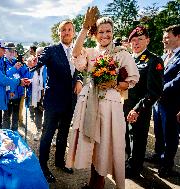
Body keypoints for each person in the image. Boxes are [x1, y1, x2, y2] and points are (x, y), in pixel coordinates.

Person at [65, 7, 139, 189]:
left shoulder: (122, 53)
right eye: (101, 32)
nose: (105, 35)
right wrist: (83, 28)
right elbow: (75, 54)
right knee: (91, 147)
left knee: (104, 145)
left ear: (113, 33)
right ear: (95, 34)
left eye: (108, 31)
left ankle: (98, 184)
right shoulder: (89, 52)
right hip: (88, 102)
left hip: (109, 106)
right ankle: (93, 183)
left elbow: (131, 80)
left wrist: (113, 83)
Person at [31, 19, 83, 183]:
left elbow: (80, 70)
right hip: (53, 101)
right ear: (59, 33)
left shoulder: (78, 51)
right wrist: (32, 62)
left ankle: (60, 162)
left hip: (70, 101)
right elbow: (38, 63)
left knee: (64, 133)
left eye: (69, 30)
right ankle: (43, 166)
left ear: (73, 32)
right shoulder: (51, 50)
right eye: (63, 30)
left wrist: (79, 80)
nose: (66, 32)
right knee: (48, 134)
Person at [124, 26, 164, 178]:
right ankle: (130, 161)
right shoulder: (129, 58)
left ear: (147, 40)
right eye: (133, 40)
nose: (136, 43)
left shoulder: (154, 60)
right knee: (128, 137)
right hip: (125, 105)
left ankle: (134, 169)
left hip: (139, 108)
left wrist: (137, 109)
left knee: (137, 139)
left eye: (140, 39)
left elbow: (154, 91)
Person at [157, 24, 180, 177]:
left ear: (178, 37)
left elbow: (179, 80)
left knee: (170, 135)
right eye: (163, 37)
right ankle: (159, 155)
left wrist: (159, 90)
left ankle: (167, 164)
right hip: (158, 103)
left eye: (167, 37)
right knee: (159, 131)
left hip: (173, 103)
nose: (164, 40)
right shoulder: (165, 55)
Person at [3, 42, 29, 131]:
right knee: (6, 116)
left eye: (13, 51)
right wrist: (14, 68)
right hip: (8, 93)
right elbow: (4, 76)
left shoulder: (17, 62)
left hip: (18, 93)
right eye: (9, 51)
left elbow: (26, 74)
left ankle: (15, 133)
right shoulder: (3, 63)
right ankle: (5, 135)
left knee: (15, 116)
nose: (12, 53)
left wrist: (25, 66)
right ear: (5, 52)